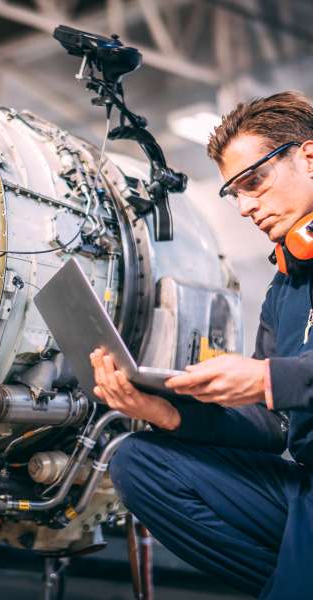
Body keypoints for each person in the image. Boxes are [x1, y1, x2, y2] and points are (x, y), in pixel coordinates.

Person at [91, 91, 313, 599]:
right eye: (233, 193)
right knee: (139, 462)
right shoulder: (286, 286)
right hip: (305, 489)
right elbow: (272, 426)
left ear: (309, 157)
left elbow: (270, 385)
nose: (244, 207)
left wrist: (263, 379)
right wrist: (164, 412)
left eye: (254, 181)